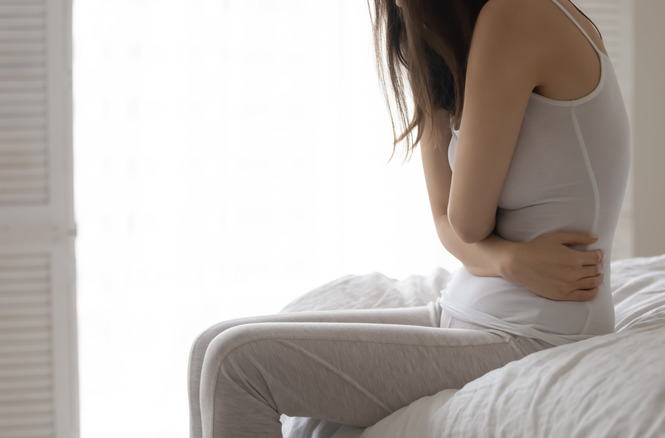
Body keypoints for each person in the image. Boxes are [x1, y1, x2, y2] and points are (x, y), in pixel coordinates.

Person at [189, 0, 630, 436]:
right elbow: (442, 220)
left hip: (535, 331)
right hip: (467, 311)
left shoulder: (517, 15)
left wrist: (486, 250)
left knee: (236, 362)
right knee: (208, 346)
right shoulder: (461, 40)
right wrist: (508, 261)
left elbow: (466, 223)